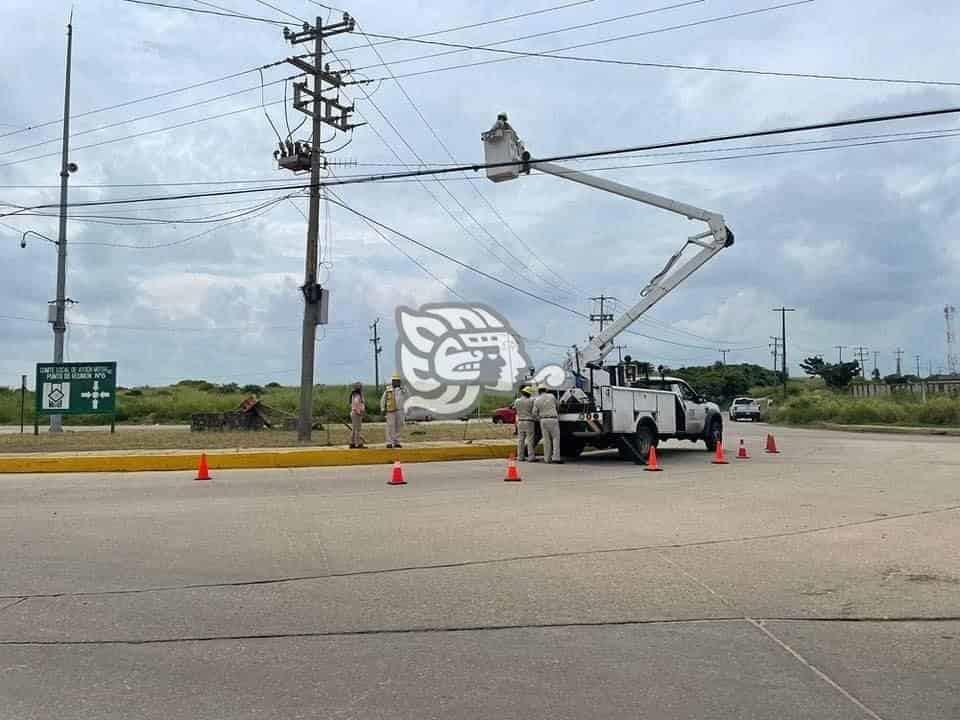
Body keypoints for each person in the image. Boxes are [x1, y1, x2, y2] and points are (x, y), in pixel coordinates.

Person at [533, 385, 563, 464]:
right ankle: (556, 458)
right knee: (555, 438)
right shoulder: (551, 396)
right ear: (546, 390)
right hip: (553, 419)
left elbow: (534, 413)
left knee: (546, 440)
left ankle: (547, 459)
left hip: (543, 420)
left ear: (539, 391)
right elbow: (558, 405)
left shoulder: (537, 400)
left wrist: (539, 418)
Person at [380, 373, 405, 448]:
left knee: (399, 426)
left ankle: (397, 442)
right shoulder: (388, 390)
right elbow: (383, 400)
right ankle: (389, 442)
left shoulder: (402, 390)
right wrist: (382, 409)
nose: (396, 382)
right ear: (392, 381)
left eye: (397, 381)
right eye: (394, 380)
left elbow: (408, 395)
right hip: (390, 411)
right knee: (390, 426)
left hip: (400, 410)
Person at [513, 386, 536, 461]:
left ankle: (520, 456)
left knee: (520, 440)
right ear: (529, 393)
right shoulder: (531, 400)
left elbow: (514, 409)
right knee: (530, 440)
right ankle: (531, 457)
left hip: (520, 421)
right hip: (529, 422)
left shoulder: (517, 401)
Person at [348, 382, 366, 449]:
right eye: (361, 387)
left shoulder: (354, 394)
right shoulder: (357, 395)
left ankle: (352, 443)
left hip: (355, 412)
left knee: (354, 429)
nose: (362, 388)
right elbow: (356, 403)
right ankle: (357, 444)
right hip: (356, 413)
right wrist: (359, 412)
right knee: (357, 430)